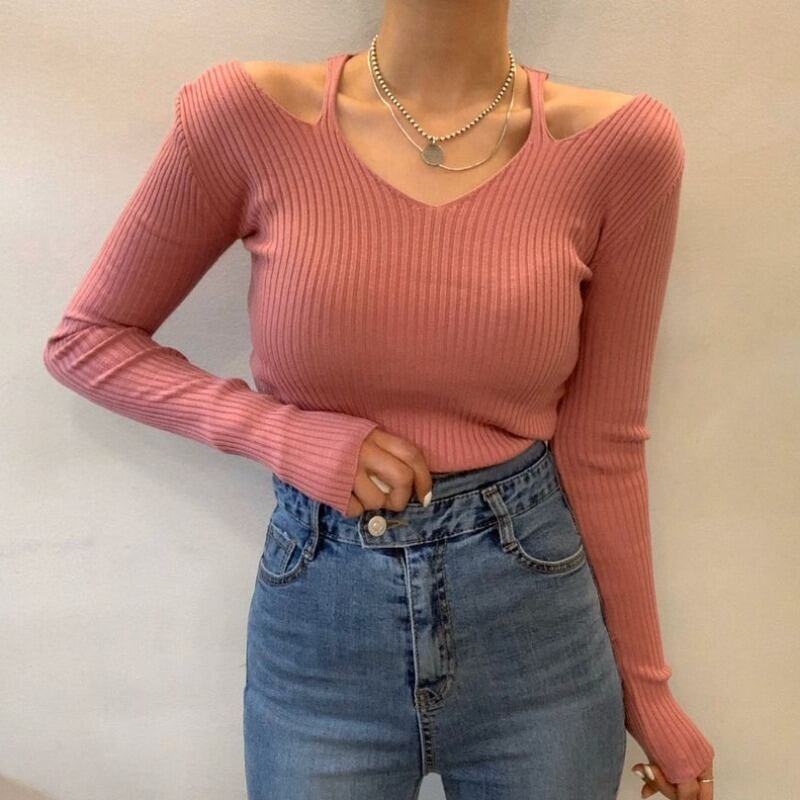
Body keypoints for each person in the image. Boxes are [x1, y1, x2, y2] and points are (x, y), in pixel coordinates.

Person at [42, 6, 716, 800]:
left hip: (538, 639)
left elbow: (603, 443)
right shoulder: (246, 118)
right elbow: (90, 341)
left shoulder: (620, 147)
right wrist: (284, 436)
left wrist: (648, 691)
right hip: (321, 635)